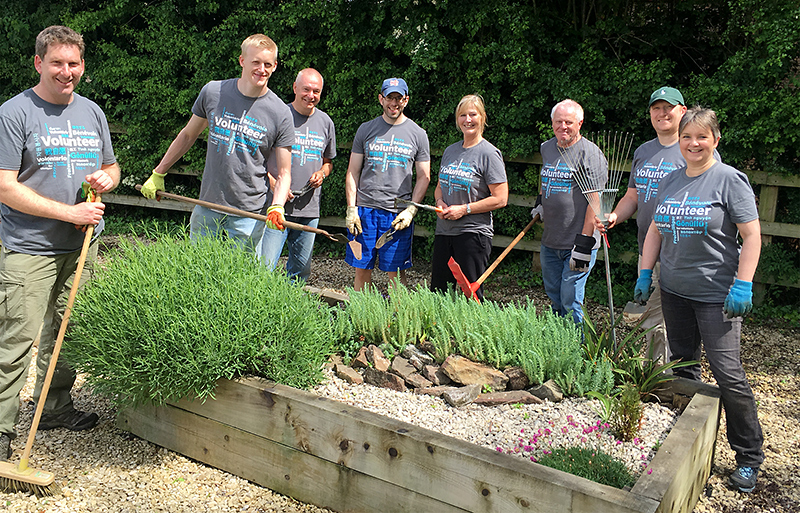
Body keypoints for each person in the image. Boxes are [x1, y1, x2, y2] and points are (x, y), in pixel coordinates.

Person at [0, 26, 121, 459]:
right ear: (38, 63)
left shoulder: (91, 112)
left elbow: (112, 166)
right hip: (28, 247)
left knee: (67, 336)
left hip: (81, 246)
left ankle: (53, 407)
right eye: (57, 63)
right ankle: (1, 426)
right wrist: (69, 212)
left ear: (83, 67)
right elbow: (5, 187)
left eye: (73, 64)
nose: (65, 72)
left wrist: (107, 178)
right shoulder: (15, 113)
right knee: (16, 340)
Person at [637, 106, 764, 493]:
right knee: (684, 366)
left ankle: (748, 456)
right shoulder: (672, 180)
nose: (693, 143)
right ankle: (690, 440)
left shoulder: (729, 180)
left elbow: (752, 235)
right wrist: (646, 272)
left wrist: (743, 284)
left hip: (715, 296)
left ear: (715, 140)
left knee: (728, 374)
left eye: (701, 137)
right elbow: (656, 230)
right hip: (674, 291)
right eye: (687, 137)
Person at [140, 34, 294, 258]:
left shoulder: (280, 113)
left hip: (249, 213)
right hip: (207, 205)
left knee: (241, 279)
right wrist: (158, 172)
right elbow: (188, 135)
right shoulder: (214, 92)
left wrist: (277, 206)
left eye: (268, 64)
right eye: (256, 62)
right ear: (242, 61)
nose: (262, 69)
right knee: (198, 271)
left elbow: (285, 172)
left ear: (275, 66)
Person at [344, 78, 431, 291]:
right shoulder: (366, 130)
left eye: (399, 98)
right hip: (365, 213)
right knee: (361, 268)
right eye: (389, 98)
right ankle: (360, 315)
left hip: (397, 214)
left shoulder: (418, 134)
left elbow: (424, 177)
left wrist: (411, 210)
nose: (394, 103)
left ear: (406, 100)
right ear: (381, 99)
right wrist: (351, 208)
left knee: (396, 272)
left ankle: (397, 320)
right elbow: (352, 172)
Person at [430, 95, 508, 300]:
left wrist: (464, 209)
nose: (467, 120)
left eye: (473, 114)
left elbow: (501, 198)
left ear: (482, 118)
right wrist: (439, 203)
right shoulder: (450, 151)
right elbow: (439, 188)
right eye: (462, 115)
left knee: (470, 296)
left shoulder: (489, 153)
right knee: (439, 294)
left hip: (473, 234)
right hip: (444, 233)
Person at [262, 69, 336, 281]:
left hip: (309, 210)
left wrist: (322, 173)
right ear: (295, 88)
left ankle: (291, 311)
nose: (310, 95)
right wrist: (274, 183)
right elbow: (256, 158)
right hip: (276, 207)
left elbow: (328, 162)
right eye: (306, 89)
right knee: (264, 266)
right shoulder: (278, 115)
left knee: (300, 271)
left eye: (316, 91)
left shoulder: (325, 122)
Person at [538, 99, 607, 325]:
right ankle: (559, 344)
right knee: (555, 297)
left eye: (569, 122)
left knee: (570, 299)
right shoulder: (547, 148)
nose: (563, 127)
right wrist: (540, 202)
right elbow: (545, 176)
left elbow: (595, 201)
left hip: (578, 243)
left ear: (580, 123)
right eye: (558, 122)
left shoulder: (591, 154)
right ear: (552, 123)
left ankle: (576, 350)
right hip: (551, 240)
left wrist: (584, 243)